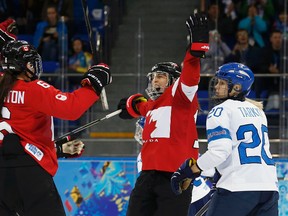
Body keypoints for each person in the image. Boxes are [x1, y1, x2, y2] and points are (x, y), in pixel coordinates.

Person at [0, 38, 112, 215]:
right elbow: (71, 108)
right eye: (30, 62)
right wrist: (94, 84)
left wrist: (56, 149)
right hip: (30, 174)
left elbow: (16, 134)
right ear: (22, 65)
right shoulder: (33, 89)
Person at [117, 13, 209, 216]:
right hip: (147, 175)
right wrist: (131, 104)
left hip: (175, 176)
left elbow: (191, 76)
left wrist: (194, 52)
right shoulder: (153, 105)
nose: (154, 81)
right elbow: (141, 107)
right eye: (153, 77)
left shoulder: (181, 97)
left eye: (160, 76)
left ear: (174, 80)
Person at [171, 62, 279, 216]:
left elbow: (220, 151)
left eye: (222, 83)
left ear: (237, 88)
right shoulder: (259, 112)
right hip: (269, 187)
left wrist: (190, 171)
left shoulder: (220, 110)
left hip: (237, 187)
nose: (216, 87)